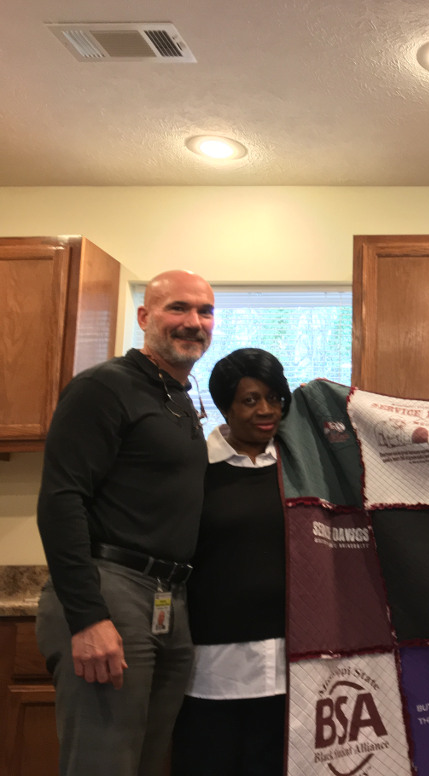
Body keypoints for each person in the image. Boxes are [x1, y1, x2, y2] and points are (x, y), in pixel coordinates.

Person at [36, 269, 215, 776]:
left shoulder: (177, 396)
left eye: (205, 311)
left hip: (167, 599)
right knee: (103, 764)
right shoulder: (105, 386)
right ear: (144, 316)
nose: (193, 322)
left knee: (143, 763)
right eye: (177, 308)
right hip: (111, 590)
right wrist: (89, 618)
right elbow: (60, 500)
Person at [171, 348, 291, 776]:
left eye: (274, 398)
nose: (266, 411)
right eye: (250, 400)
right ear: (225, 406)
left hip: (289, 666)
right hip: (213, 669)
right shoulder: (194, 469)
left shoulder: (298, 469)